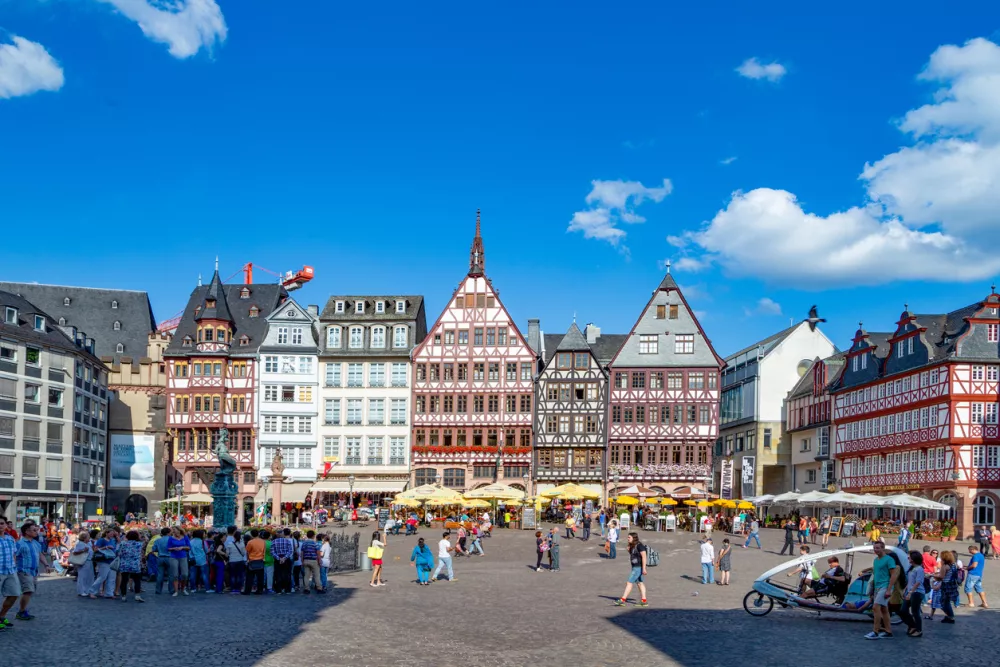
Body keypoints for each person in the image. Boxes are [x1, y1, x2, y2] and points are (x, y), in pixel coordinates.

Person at [865, 540, 901, 639]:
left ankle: (875, 631)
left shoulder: (889, 560)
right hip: (878, 587)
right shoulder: (876, 560)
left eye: (878, 548)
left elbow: (893, 575)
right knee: (884, 609)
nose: (876, 550)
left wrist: (889, 589)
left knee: (875, 607)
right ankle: (888, 631)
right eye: (874, 548)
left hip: (885, 586)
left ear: (883, 548)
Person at [0, 517, 23, 630]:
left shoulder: (10, 539)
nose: (0, 525)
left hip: (10, 570)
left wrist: (14, 566)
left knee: (14, 594)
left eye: (2, 523)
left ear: (5, 525)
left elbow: (14, 554)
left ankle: (2, 616)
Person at [614, 532, 648, 607]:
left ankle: (622, 600)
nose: (628, 538)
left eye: (629, 537)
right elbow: (634, 555)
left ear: (634, 538)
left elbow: (644, 557)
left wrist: (644, 568)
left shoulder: (640, 546)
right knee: (640, 583)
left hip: (638, 567)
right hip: (635, 567)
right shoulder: (633, 546)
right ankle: (644, 601)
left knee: (629, 582)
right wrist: (629, 549)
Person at [897, 551, 926, 637]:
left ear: (913, 559)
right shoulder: (912, 568)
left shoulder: (919, 569)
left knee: (915, 612)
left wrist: (910, 592)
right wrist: (905, 589)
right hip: (910, 591)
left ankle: (919, 630)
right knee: (903, 610)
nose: (908, 558)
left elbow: (918, 582)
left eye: (909, 557)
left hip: (917, 592)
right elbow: (910, 581)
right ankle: (912, 625)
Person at [88, 528, 119, 599]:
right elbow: (95, 549)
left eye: (112, 534)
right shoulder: (101, 540)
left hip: (112, 560)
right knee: (102, 577)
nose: (112, 535)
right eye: (110, 533)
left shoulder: (112, 540)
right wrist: (106, 547)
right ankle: (92, 591)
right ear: (106, 533)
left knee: (112, 577)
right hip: (104, 560)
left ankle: (109, 593)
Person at [116, 530, 145, 603]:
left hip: (125, 564)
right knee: (137, 580)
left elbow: (118, 553)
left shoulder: (123, 544)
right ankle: (137, 595)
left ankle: (123, 596)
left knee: (124, 580)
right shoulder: (139, 544)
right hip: (135, 564)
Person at [934, 549, 959, 623]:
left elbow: (941, 577)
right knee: (947, 601)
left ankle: (950, 616)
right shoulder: (954, 564)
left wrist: (932, 576)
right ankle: (950, 616)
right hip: (952, 584)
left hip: (946, 585)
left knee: (943, 602)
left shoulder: (944, 566)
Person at [166, 526, 191, 597]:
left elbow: (189, 547)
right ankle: (176, 591)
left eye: (175, 531)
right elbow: (168, 548)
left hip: (183, 556)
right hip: (173, 557)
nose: (174, 532)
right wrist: (174, 548)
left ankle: (183, 588)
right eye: (173, 531)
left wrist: (182, 547)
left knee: (185, 574)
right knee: (175, 575)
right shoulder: (171, 538)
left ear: (180, 530)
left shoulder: (185, 537)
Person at [271, 528, 295, 594]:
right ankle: (287, 590)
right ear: (283, 534)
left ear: (276, 534)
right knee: (287, 574)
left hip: (277, 560)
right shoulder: (287, 541)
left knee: (278, 575)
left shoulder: (273, 542)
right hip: (286, 559)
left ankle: (279, 590)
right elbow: (290, 551)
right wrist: (284, 558)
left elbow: (272, 552)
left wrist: (279, 558)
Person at [71, 530, 94, 597]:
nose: (89, 538)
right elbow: (75, 552)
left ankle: (87, 590)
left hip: (89, 561)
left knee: (89, 577)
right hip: (84, 561)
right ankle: (81, 591)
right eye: (88, 537)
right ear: (84, 538)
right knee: (83, 576)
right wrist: (83, 550)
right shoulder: (80, 544)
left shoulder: (88, 543)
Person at [244, 529, 267, 595]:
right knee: (260, 577)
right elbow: (263, 551)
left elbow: (247, 551)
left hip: (252, 560)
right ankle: (260, 590)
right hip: (260, 560)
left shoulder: (250, 542)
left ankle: (247, 591)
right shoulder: (263, 542)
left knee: (249, 577)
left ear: (251, 534)